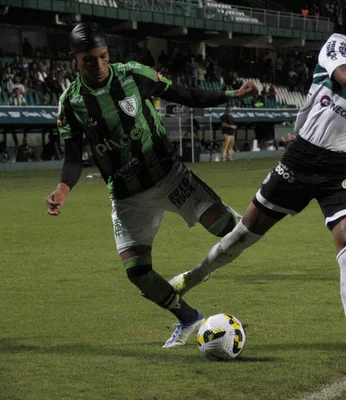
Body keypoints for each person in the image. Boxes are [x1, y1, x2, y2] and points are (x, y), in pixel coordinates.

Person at [169, 6, 346, 374]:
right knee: (243, 235)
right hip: (301, 158)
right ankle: (194, 276)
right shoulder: (336, 46)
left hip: (344, 167)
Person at [44, 22, 258, 348]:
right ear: (74, 58)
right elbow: (73, 159)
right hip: (127, 196)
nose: (99, 65)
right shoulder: (70, 103)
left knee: (235, 233)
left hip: (170, 176)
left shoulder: (133, 75)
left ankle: (192, 276)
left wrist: (232, 93)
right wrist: (63, 189)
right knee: (138, 273)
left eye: (103, 57)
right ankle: (188, 318)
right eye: (89, 60)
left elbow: (185, 94)